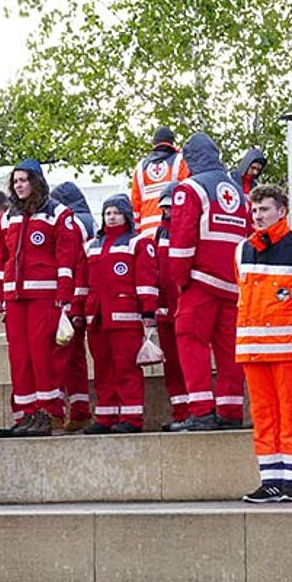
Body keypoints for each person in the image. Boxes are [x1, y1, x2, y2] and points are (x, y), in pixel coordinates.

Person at [236, 185, 292, 503]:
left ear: (282, 211)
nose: (258, 215)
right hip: (252, 349)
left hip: (288, 349)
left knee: (290, 412)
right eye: (255, 209)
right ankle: (270, 480)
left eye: (264, 209)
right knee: (262, 416)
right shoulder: (241, 250)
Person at [169, 133, 251, 431]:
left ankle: (201, 410)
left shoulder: (189, 188)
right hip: (233, 282)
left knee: (191, 342)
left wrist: (180, 279)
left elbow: (182, 238)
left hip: (200, 281)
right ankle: (230, 410)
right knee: (229, 349)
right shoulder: (237, 190)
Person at [0, 159, 79, 436]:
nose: (18, 185)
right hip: (15, 297)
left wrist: (64, 296)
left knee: (42, 356)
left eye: (23, 180)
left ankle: (48, 413)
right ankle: (27, 415)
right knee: (20, 357)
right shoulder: (9, 216)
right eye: (15, 181)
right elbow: (1, 258)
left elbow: (67, 258)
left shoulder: (59, 214)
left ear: (36, 181)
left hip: (45, 296)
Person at [82, 195, 158, 434]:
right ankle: (105, 417)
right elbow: (83, 282)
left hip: (126, 316)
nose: (111, 217)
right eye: (107, 213)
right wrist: (78, 310)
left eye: (116, 212)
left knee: (126, 368)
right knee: (103, 368)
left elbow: (146, 279)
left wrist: (148, 310)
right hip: (97, 316)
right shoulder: (92, 246)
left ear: (126, 215)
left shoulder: (138, 243)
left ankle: (131, 418)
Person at [49, 182, 95, 431]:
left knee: (59, 357)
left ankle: (56, 411)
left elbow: (73, 264)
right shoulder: (90, 222)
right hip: (87, 298)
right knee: (76, 358)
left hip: (72, 299)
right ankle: (80, 410)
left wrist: (70, 302)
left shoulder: (69, 222)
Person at [154, 183, 189, 430]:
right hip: (167, 310)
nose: (168, 211)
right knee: (173, 366)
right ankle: (180, 411)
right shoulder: (160, 232)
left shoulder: (187, 230)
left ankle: (193, 411)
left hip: (186, 307)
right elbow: (157, 271)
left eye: (171, 206)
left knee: (187, 362)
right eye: (165, 207)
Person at [131, 126, 189, 238]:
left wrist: (136, 235)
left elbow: (135, 206)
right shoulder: (181, 161)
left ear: (154, 143)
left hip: (146, 232)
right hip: (172, 231)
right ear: (172, 142)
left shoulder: (140, 167)